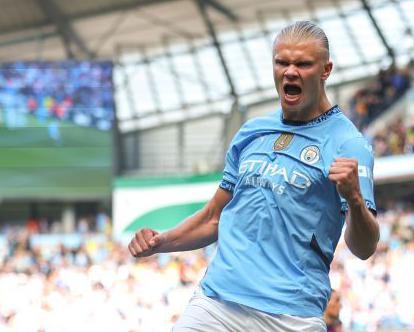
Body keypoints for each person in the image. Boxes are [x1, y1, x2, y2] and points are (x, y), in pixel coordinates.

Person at [128, 20, 379, 332]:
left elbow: (364, 247)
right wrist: (161, 241)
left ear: (326, 71)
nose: (290, 71)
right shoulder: (251, 132)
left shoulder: (348, 144)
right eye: (282, 62)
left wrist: (354, 199)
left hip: (290, 316)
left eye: (303, 64)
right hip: (217, 303)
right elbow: (213, 218)